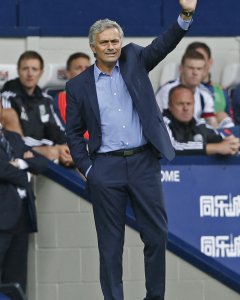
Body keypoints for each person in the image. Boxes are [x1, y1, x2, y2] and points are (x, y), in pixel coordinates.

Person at [66, 1, 198, 299]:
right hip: (105, 168)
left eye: (115, 41)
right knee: (110, 246)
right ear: (93, 47)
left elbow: (165, 44)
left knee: (157, 235)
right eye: (105, 43)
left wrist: (186, 14)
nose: (112, 47)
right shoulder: (77, 86)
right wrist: (88, 169)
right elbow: (73, 134)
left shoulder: (135, 58)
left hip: (143, 163)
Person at [0, 97, 48, 293]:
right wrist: (26, 172)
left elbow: (42, 163)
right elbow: (2, 169)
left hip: (22, 217)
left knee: (17, 280)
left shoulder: (13, 137)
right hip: (1, 219)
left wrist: (20, 164)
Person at [1, 51, 73, 167]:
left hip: (46, 149)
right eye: (25, 69)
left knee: (74, 151)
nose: (30, 74)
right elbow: (14, 139)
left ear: (41, 72)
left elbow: (57, 130)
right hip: (19, 152)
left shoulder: (46, 99)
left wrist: (65, 145)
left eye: (34, 69)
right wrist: (50, 146)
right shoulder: (7, 97)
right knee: (53, 152)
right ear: (18, 71)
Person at [163, 84, 239, 155]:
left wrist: (231, 143)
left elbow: (216, 137)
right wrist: (215, 148)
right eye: (180, 104)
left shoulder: (198, 124)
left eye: (189, 104)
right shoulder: (162, 123)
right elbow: (172, 147)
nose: (185, 108)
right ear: (170, 106)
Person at [156, 50, 219, 128]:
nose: (195, 73)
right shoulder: (167, 91)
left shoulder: (205, 94)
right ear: (181, 68)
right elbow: (159, 123)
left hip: (194, 136)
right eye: (191, 68)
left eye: (199, 69)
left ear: (204, 71)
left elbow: (212, 124)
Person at [184, 41, 234, 127]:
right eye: (194, 59)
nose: (198, 63)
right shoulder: (177, 91)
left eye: (201, 58)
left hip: (218, 136)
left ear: (210, 62)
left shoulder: (221, 91)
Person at [53, 52, 91, 128]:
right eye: (78, 68)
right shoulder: (61, 99)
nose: (84, 71)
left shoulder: (100, 96)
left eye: (87, 68)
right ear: (68, 73)